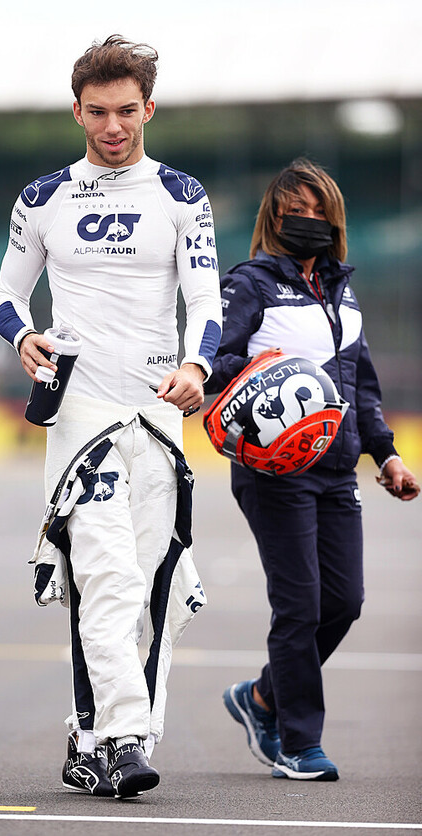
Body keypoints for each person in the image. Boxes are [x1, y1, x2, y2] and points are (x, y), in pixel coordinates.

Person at [0, 35, 222, 798]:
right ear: (77, 112)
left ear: (149, 108)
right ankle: (124, 739)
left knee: (153, 588)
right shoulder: (42, 198)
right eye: (98, 112)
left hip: (157, 412)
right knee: (107, 575)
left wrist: (196, 366)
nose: (113, 126)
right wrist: (24, 337)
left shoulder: (183, 195)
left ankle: (95, 738)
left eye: (126, 111)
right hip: (80, 413)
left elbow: (205, 299)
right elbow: (6, 297)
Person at [205, 158, 419, 781]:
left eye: (318, 211)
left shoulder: (341, 289)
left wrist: (387, 454)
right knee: (299, 605)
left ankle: (261, 697)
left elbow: (362, 384)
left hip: (338, 468)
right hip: (274, 469)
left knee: (344, 602)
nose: (307, 220)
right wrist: (246, 374)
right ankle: (299, 743)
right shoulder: (250, 283)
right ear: (274, 217)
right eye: (294, 210)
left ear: (336, 220)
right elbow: (214, 358)